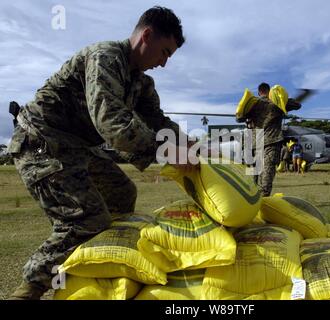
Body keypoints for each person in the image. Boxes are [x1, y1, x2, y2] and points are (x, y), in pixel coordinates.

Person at [7, 6, 193, 300]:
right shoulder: (105, 57)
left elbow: (158, 122)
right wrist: (165, 149)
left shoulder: (142, 84)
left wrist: (188, 144)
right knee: (85, 219)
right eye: (165, 52)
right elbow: (112, 124)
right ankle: (29, 289)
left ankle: (100, 264)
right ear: (146, 35)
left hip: (75, 146)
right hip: (41, 141)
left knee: (121, 192)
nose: (164, 63)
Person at [237, 83, 300, 197]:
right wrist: (281, 97)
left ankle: (251, 199)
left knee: (254, 174)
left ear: (258, 92)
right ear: (269, 90)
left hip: (256, 143)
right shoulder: (275, 102)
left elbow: (239, 118)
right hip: (272, 141)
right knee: (267, 172)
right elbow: (297, 105)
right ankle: (263, 199)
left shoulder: (253, 104)